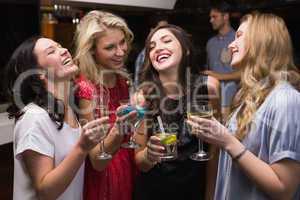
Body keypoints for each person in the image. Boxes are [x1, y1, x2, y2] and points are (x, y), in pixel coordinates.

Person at [187, 12, 300, 200]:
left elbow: (283, 189)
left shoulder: (286, 100)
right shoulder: (246, 99)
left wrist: (226, 141)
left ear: (263, 40)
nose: (231, 45)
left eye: (239, 36)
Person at [4, 36, 109, 200]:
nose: (65, 51)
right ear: (38, 73)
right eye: (51, 51)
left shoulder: (68, 111)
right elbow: (46, 192)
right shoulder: (34, 118)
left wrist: (117, 129)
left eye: (60, 46)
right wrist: (82, 148)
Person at [133, 24, 220, 200]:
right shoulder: (143, 97)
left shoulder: (209, 87)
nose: (158, 48)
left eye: (166, 41)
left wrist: (211, 194)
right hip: (153, 192)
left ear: (186, 49)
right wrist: (149, 155)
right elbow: (140, 162)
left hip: (195, 190)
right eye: (152, 47)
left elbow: (215, 149)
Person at [73, 10, 137, 200]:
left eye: (122, 42)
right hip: (104, 175)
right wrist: (121, 128)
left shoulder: (121, 81)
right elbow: (96, 159)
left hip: (125, 165)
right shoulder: (86, 88)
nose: (121, 52)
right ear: (92, 49)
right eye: (110, 47)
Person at [204, 2, 240, 122]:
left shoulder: (238, 40)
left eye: (215, 16)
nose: (211, 20)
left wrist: (216, 75)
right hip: (212, 100)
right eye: (210, 17)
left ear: (226, 16)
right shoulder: (210, 43)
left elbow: (244, 72)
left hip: (232, 100)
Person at [134, 19, 168, 87]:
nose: (165, 31)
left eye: (166, 28)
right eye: (161, 28)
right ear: (152, 30)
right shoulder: (144, 55)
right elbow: (138, 80)